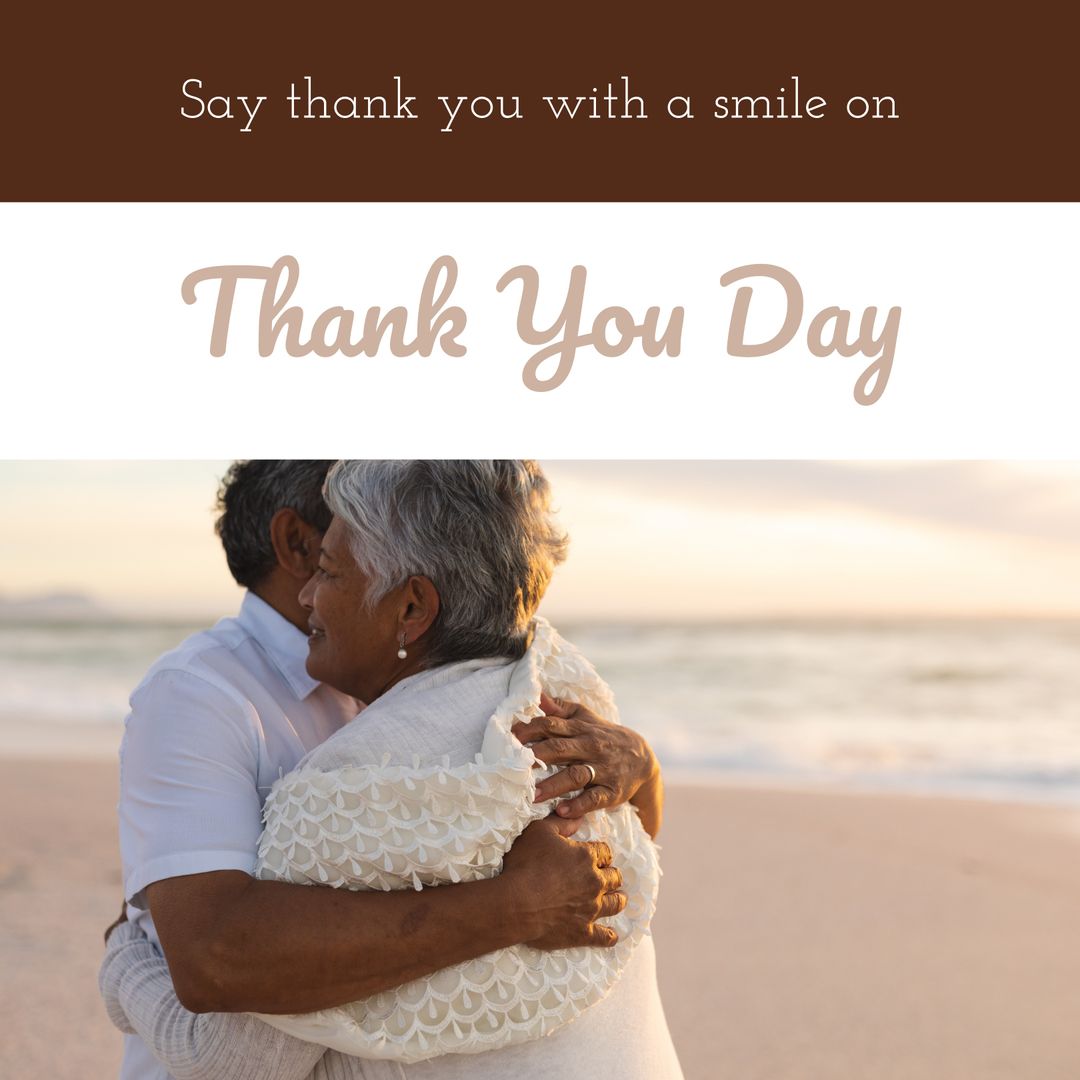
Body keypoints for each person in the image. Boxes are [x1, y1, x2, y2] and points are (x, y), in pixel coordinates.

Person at [103, 460, 668, 1080]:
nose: (314, 594)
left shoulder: (357, 778)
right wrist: (514, 905)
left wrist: (123, 958)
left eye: (333, 571)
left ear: (413, 609)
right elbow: (215, 957)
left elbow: (227, 1055)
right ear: (295, 541)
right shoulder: (546, 678)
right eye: (322, 563)